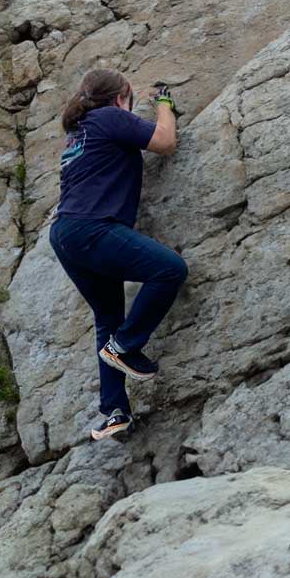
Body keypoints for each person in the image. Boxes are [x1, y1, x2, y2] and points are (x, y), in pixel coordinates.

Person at [48, 69, 186, 441]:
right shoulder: (110, 117)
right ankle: (125, 347)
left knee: (108, 315)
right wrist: (164, 105)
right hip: (93, 228)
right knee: (169, 270)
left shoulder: (79, 133)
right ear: (120, 97)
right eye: (130, 99)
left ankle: (114, 410)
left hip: (64, 235)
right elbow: (165, 141)